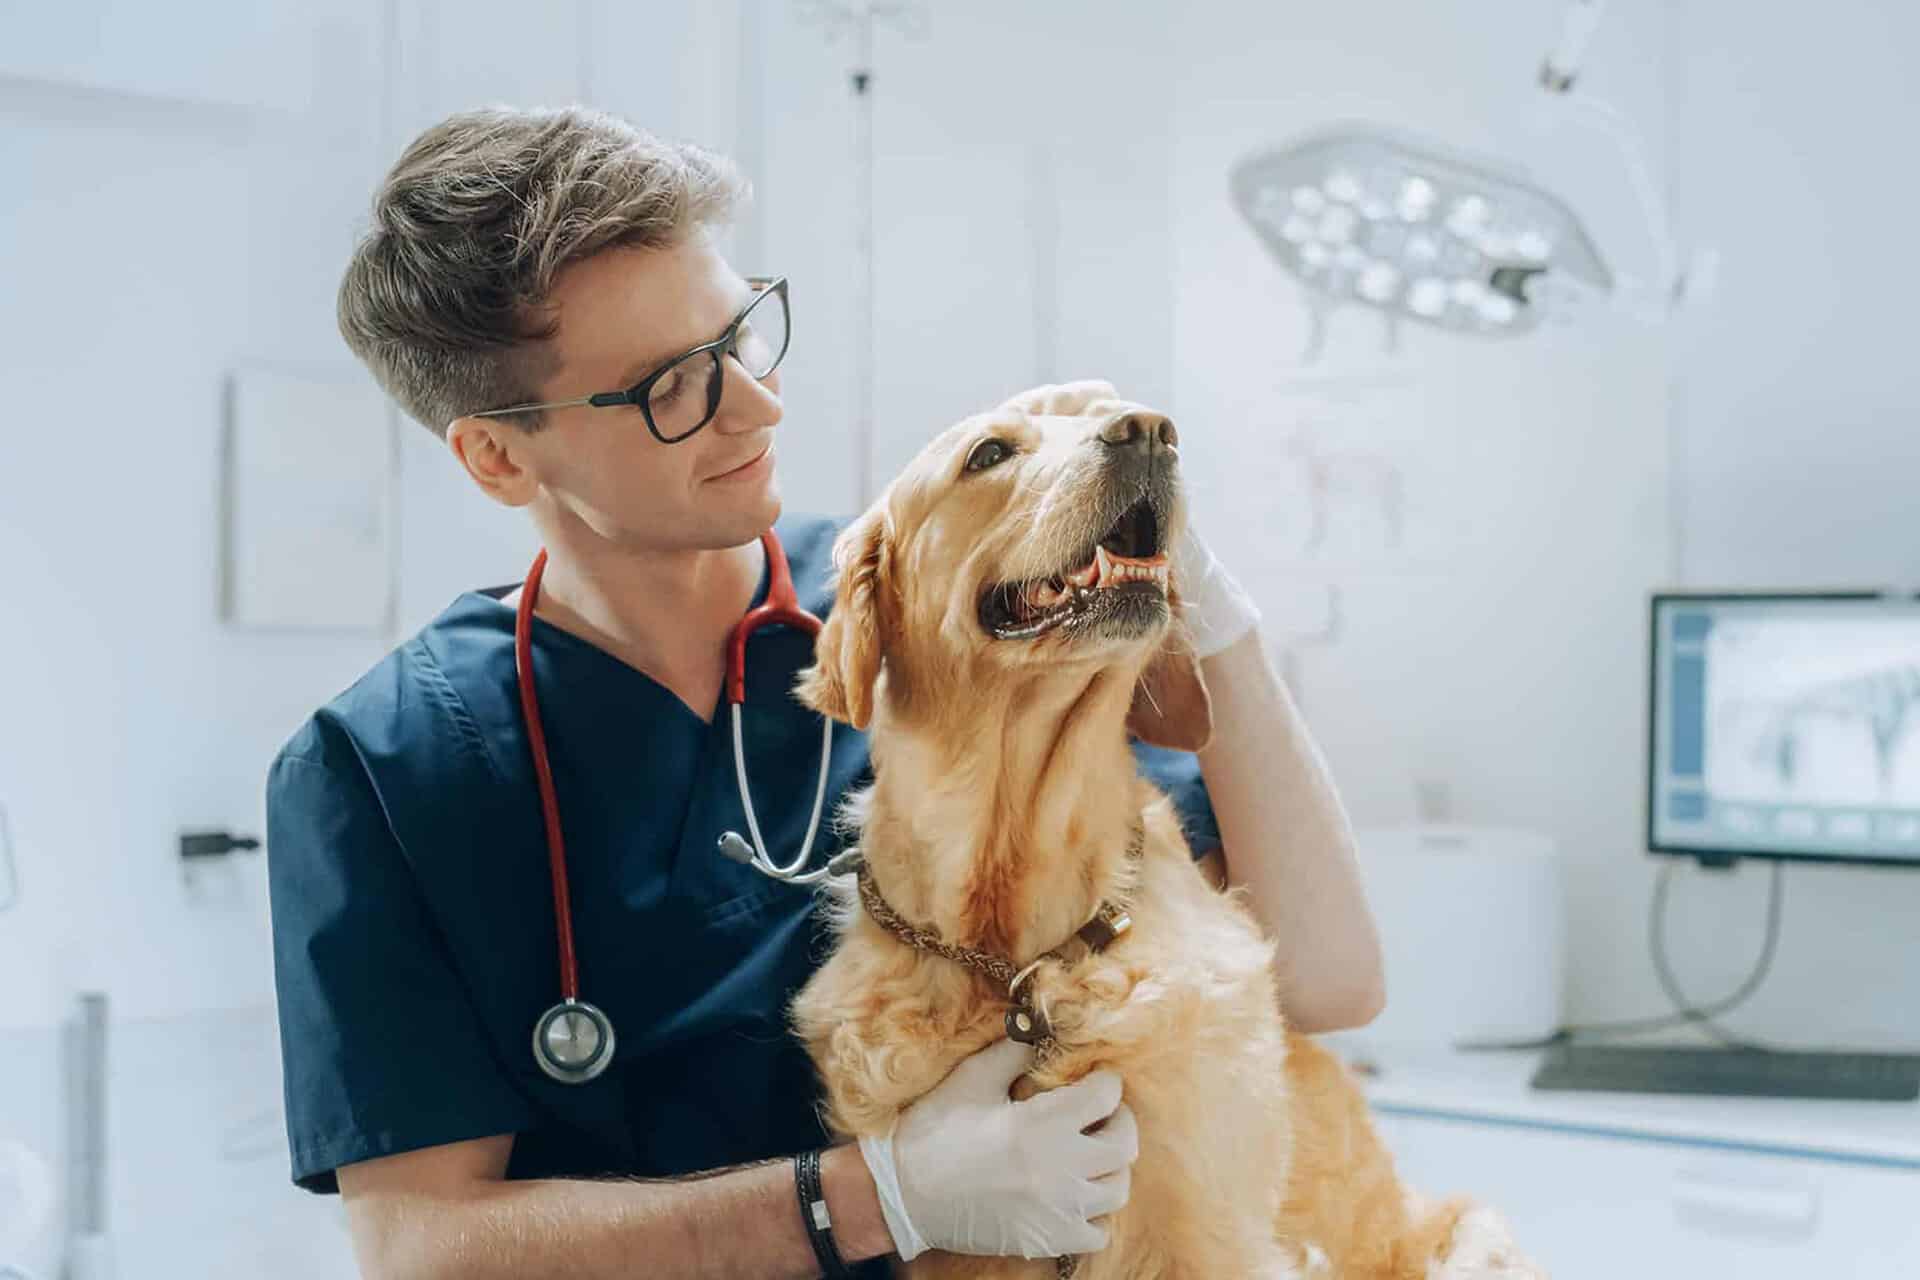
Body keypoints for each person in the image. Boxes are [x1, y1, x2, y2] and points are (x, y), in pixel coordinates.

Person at [265, 104, 1384, 1280]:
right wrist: (869, 1196)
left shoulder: (927, 613)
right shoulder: (384, 772)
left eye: (741, 335)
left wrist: (1208, 609)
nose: (755, 406)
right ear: (501, 454)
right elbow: (424, 1245)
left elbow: (1327, 975)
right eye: (668, 391)